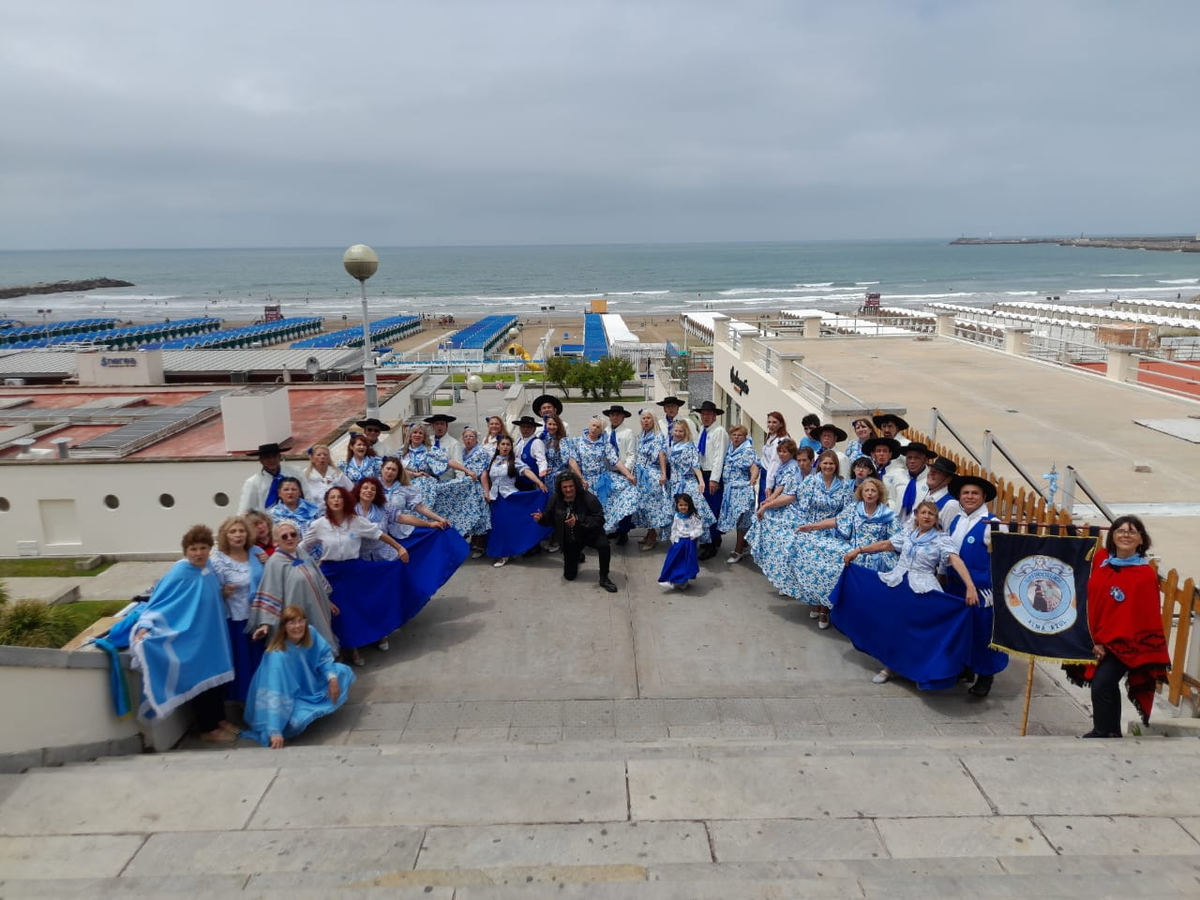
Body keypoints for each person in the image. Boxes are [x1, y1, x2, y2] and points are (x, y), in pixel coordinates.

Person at [831, 500, 981, 688]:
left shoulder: (941, 539)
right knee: (893, 626)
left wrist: (970, 586)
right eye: (923, 512)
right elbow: (886, 544)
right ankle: (889, 666)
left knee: (918, 632)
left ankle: (918, 670)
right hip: (898, 585)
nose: (927, 516)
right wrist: (859, 551)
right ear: (917, 516)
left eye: (931, 514)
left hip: (923, 590)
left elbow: (955, 560)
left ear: (936, 519)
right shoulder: (908, 534)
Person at [1066, 516, 1170, 738]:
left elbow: (1137, 617)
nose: (1126, 535)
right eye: (1121, 531)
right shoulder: (1102, 559)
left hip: (1126, 643)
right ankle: (1112, 730)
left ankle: (1102, 731)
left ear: (1141, 539)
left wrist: (1106, 644)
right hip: (1097, 637)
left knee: (1102, 685)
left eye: (1132, 532)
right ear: (1112, 535)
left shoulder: (1143, 575)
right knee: (1108, 685)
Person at [130, 525, 236, 741]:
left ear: (210, 549)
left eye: (203, 548)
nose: (198, 553)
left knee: (216, 680)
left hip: (212, 635)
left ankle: (219, 719)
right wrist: (146, 626)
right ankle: (207, 729)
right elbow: (160, 602)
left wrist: (223, 593)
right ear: (186, 551)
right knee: (201, 680)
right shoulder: (180, 572)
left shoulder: (209, 568)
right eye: (193, 549)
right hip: (192, 638)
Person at [299, 486, 408, 663]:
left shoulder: (356, 521)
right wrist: (290, 562)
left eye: (339, 497)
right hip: (331, 574)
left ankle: (372, 639)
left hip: (354, 571)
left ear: (346, 501)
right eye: (332, 497)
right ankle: (349, 649)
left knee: (363, 606)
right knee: (341, 614)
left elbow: (379, 534)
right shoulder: (318, 525)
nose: (336, 500)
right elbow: (302, 547)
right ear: (327, 502)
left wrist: (400, 548)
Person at [242, 605, 356, 749]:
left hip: (309, 685)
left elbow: (324, 657)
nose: (297, 626)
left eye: (301, 621)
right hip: (288, 696)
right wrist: (275, 730)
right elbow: (275, 692)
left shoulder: (311, 632)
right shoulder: (277, 656)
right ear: (284, 627)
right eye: (292, 623)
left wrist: (332, 679)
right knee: (296, 722)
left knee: (341, 672)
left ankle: (314, 706)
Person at [795, 476, 898, 620]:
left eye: (873, 491)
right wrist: (811, 527)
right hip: (852, 551)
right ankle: (821, 603)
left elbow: (894, 542)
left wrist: (867, 551)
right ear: (861, 493)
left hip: (877, 554)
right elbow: (836, 521)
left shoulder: (888, 515)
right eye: (866, 490)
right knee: (824, 561)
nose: (869, 493)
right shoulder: (854, 509)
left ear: (879, 494)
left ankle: (860, 616)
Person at [943, 474, 1009, 698]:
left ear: (983, 497)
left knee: (983, 632)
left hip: (981, 589)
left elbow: (1003, 559)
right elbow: (948, 551)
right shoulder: (956, 520)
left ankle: (986, 676)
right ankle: (966, 667)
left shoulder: (994, 524)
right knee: (962, 630)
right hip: (956, 586)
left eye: (974, 493)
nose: (969, 497)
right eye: (966, 493)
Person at [250, 521, 339, 658]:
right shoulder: (274, 562)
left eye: (293, 534)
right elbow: (270, 592)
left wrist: (327, 601)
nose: (289, 538)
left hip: (316, 609)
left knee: (319, 640)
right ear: (276, 541)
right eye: (284, 536)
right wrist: (265, 624)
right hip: (295, 615)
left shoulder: (302, 553)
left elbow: (317, 577)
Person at [209, 516, 267, 705]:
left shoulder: (257, 553)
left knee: (261, 661)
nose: (238, 535)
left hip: (259, 617)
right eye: (233, 531)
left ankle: (263, 699)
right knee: (242, 663)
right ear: (225, 535)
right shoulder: (217, 560)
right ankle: (244, 702)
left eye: (241, 531)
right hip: (235, 619)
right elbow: (209, 592)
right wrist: (222, 594)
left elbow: (269, 579)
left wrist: (268, 562)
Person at [786, 449, 848, 626]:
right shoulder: (811, 481)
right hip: (812, 531)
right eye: (825, 463)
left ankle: (825, 609)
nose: (828, 466)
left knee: (829, 571)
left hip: (834, 532)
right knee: (812, 569)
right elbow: (795, 500)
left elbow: (847, 512)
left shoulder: (843, 486)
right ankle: (815, 602)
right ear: (819, 464)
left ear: (836, 466)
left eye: (831, 463)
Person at [533, 471, 617, 592]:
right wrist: (541, 519)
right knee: (569, 576)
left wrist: (578, 520)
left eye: (571, 486)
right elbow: (550, 519)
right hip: (571, 538)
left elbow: (600, 519)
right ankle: (578, 555)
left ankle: (604, 578)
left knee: (604, 545)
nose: (568, 489)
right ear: (560, 488)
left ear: (576, 485)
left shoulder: (589, 498)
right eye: (565, 487)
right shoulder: (555, 499)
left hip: (590, 534)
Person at [481, 435, 550, 568]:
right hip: (496, 499)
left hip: (510, 497)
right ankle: (504, 551)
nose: (505, 447)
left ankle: (504, 554)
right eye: (503, 444)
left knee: (508, 525)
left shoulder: (514, 461)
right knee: (498, 526)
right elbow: (485, 475)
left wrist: (539, 482)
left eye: (508, 444)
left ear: (511, 447)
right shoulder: (492, 460)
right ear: (498, 446)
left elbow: (527, 472)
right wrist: (486, 492)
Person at [746, 438, 802, 595]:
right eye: (780, 451)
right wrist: (770, 499)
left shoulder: (792, 467)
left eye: (785, 451)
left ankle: (787, 579)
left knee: (783, 545)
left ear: (792, 453)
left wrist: (769, 502)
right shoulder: (785, 466)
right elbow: (780, 487)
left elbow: (786, 491)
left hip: (791, 508)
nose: (782, 454)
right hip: (782, 502)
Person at [569, 417, 639, 538]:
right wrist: (581, 478)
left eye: (598, 427)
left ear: (601, 431)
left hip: (602, 480)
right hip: (585, 480)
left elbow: (615, 461)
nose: (595, 429)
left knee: (603, 508)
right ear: (589, 425)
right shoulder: (577, 442)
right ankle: (586, 535)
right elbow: (572, 461)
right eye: (593, 425)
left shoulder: (604, 443)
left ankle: (602, 534)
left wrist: (628, 475)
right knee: (586, 508)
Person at [665, 419, 716, 539]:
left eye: (681, 431)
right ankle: (680, 538)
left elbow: (695, 465)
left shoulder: (690, 446)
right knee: (678, 514)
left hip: (687, 483)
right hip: (674, 485)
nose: (678, 433)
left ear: (685, 432)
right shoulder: (672, 445)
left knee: (692, 512)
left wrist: (701, 481)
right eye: (676, 431)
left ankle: (693, 539)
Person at [629, 410, 672, 552]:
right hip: (640, 474)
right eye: (643, 418)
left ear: (653, 420)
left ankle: (653, 536)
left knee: (651, 506)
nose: (646, 421)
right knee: (643, 506)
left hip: (651, 474)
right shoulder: (641, 435)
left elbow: (661, 455)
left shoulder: (658, 436)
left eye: (648, 418)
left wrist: (663, 474)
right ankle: (649, 532)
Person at [718, 424, 760, 564]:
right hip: (730, 491)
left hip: (742, 490)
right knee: (739, 519)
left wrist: (753, 479)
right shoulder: (730, 449)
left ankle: (738, 550)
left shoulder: (747, 451)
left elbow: (754, 467)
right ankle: (745, 544)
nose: (736, 437)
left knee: (741, 519)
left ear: (745, 437)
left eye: (739, 435)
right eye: (734, 435)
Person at [692, 401, 728, 559]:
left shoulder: (719, 432)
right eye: (703, 414)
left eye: (708, 414)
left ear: (715, 416)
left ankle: (712, 542)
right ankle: (710, 538)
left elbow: (719, 457)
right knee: (704, 509)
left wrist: (714, 479)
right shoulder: (704, 430)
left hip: (712, 475)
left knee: (713, 509)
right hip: (702, 474)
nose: (705, 417)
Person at [603, 405, 638, 544]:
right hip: (607, 472)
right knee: (610, 503)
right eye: (612, 415)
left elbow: (631, 454)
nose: (615, 417)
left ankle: (624, 531)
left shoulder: (628, 432)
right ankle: (613, 528)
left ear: (623, 417)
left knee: (624, 503)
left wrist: (626, 471)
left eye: (618, 415)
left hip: (623, 472)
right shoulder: (604, 432)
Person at [457, 427, 493, 558]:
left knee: (480, 516)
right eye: (466, 436)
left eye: (471, 436)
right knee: (467, 516)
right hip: (465, 488)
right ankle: (472, 542)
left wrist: (486, 492)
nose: (468, 439)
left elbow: (483, 473)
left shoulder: (480, 452)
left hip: (477, 486)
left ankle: (480, 546)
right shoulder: (461, 452)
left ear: (476, 438)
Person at [238, 442, 304, 514]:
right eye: (266, 457)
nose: (271, 460)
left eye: (274, 456)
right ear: (260, 460)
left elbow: (307, 497)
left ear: (279, 457)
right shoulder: (253, 482)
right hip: (266, 519)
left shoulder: (295, 473)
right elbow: (246, 509)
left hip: (297, 517)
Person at [658, 493, 703, 590]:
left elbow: (699, 528)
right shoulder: (677, 516)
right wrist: (673, 537)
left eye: (685, 505)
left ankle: (683, 580)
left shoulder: (693, 516)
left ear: (690, 505)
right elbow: (674, 528)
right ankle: (669, 578)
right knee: (673, 559)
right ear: (677, 505)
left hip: (689, 541)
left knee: (686, 562)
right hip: (678, 540)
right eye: (681, 505)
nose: (683, 507)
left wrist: (693, 534)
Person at [885, 442, 934, 522]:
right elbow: (892, 498)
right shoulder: (899, 476)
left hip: (918, 524)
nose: (912, 461)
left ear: (925, 460)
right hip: (896, 522)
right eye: (909, 457)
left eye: (917, 458)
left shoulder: (931, 480)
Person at [759, 411, 790, 505]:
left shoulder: (781, 440)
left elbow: (775, 462)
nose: (771, 425)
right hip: (765, 473)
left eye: (774, 422)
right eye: (769, 422)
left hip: (772, 476)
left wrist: (769, 485)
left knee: (766, 503)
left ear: (781, 424)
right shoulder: (771, 436)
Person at [512, 415, 550, 490]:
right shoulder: (519, 441)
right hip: (518, 482)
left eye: (528, 427)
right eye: (523, 426)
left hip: (531, 484)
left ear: (534, 429)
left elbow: (541, 460)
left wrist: (542, 472)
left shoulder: (536, 442)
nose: (525, 429)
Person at [923, 456, 959, 529]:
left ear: (948, 479)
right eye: (931, 470)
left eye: (938, 472)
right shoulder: (926, 497)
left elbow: (948, 534)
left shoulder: (951, 505)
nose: (931, 473)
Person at [424, 413, 463, 479]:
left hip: (446, 480)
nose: (439, 426)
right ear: (433, 426)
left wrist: (460, 481)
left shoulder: (454, 443)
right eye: (437, 424)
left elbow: (458, 465)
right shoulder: (428, 441)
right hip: (428, 479)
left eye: (442, 424)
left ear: (446, 426)